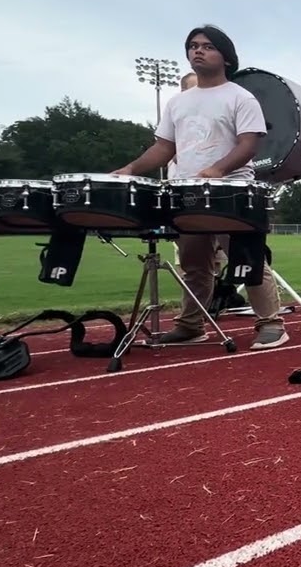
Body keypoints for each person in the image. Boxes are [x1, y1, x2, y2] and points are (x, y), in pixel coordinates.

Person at [113, 24, 289, 350]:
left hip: (231, 189)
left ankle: (271, 324)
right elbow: (164, 148)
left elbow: (249, 145)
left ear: (225, 56)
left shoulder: (241, 97)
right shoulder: (178, 103)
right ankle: (191, 325)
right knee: (194, 263)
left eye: (207, 46)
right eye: (193, 45)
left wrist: (219, 170)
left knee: (245, 256)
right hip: (187, 191)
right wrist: (132, 169)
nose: (198, 50)